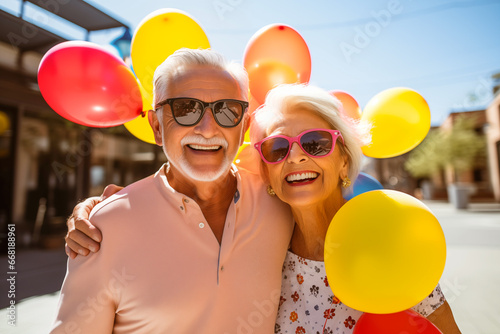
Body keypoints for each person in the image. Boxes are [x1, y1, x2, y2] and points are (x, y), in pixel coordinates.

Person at [66, 71, 461, 332]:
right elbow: (189, 188)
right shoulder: (263, 229)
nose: (296, 157)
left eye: (316, 143)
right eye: (277, 148)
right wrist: (99, 210)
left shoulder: (385, 241)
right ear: (266, 171)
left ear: (344, 159)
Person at [51, 48, 295, 333]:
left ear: (244, 127)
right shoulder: (105, 228)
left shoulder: (282, 205)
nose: (207, 128)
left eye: (227, 110)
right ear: (156, 126)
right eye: (185, 109)